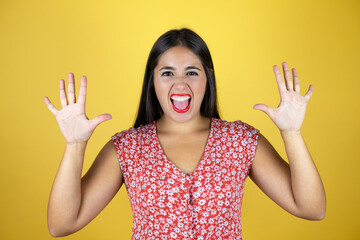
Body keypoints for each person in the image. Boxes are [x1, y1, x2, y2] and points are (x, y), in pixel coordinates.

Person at [44, 28, 326, 239]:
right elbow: (61, 225)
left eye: (192, 72)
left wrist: (292, 133)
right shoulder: (127, 148)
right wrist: (75, 145)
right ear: (152, 82)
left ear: (207, 78)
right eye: (167, 73)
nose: (180, 83)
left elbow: (312, 209)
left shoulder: (241, 141)